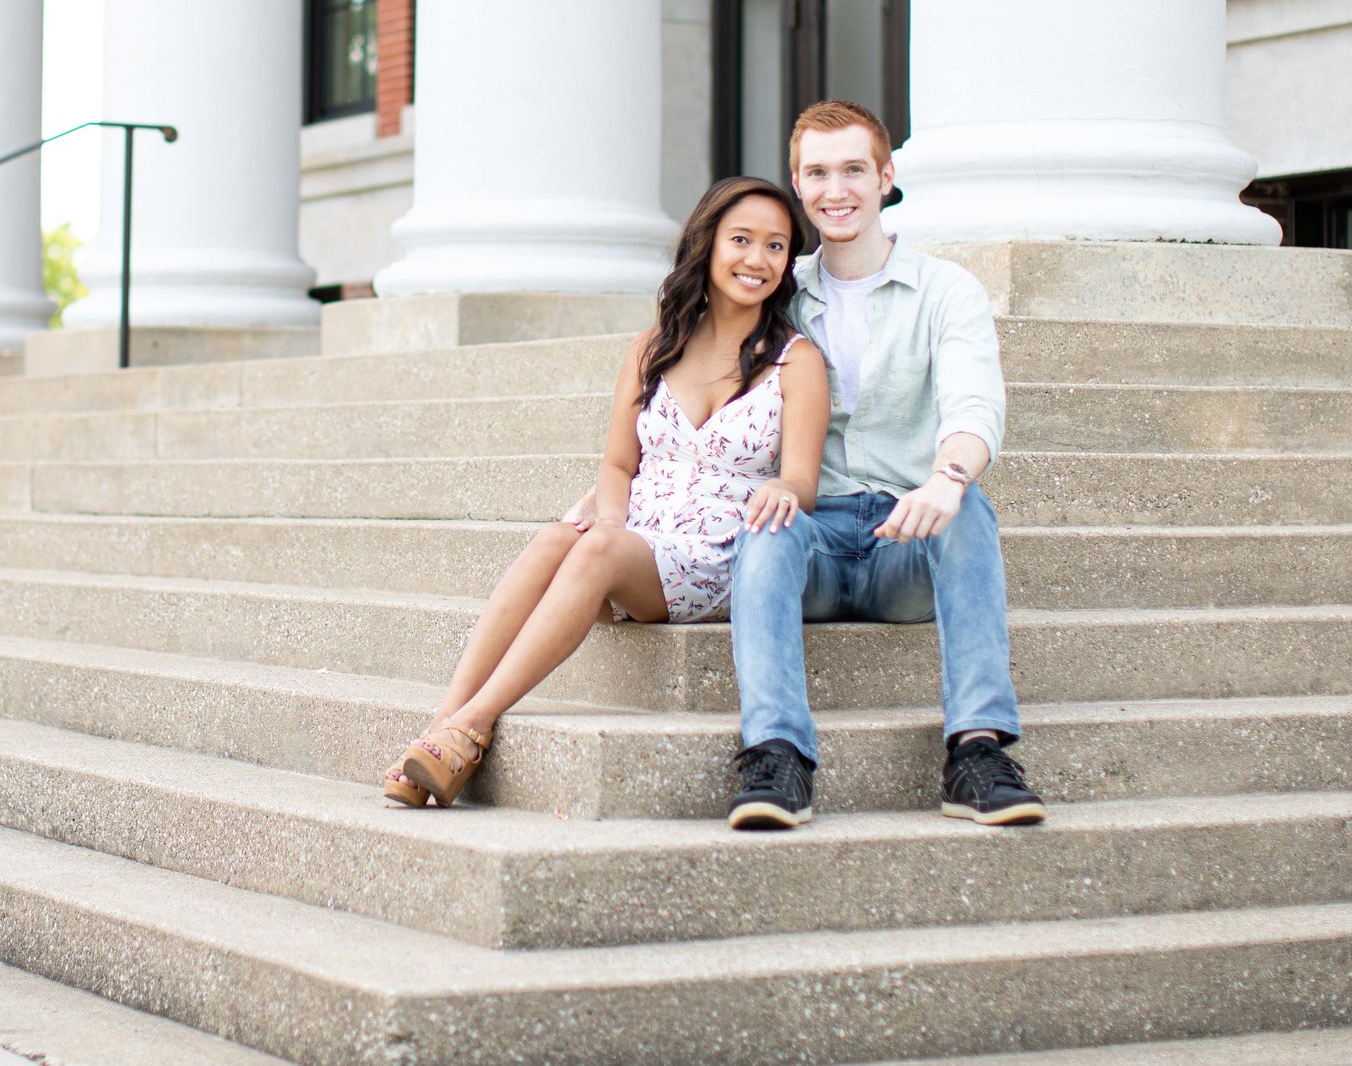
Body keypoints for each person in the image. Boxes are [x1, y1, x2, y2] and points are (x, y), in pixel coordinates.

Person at [386, 177, 831, 807]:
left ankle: (470, 727)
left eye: (776, 246)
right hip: (641, 536)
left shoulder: (796, 359)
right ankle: (439, 726)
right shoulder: (656, 346)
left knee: (593, 552)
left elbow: (802, 483)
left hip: (720, 554)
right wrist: (612, 521)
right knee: (554, 541)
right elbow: (619, 464)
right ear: (706, 245)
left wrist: (782, 490)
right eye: (741, 240)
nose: (757, 260)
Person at [724, 99, 1044, 832]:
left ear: (886, 177)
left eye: (853, 170)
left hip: (908, 534)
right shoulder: (777, 288)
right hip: (815, 539)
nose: (835, 189)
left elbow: (973, 407)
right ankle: (777, 756)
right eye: (817, 172)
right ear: (797, 184)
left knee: (971, 507)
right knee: (766, 524)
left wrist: (948, 475)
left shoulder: (945, 289)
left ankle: (977, 749)